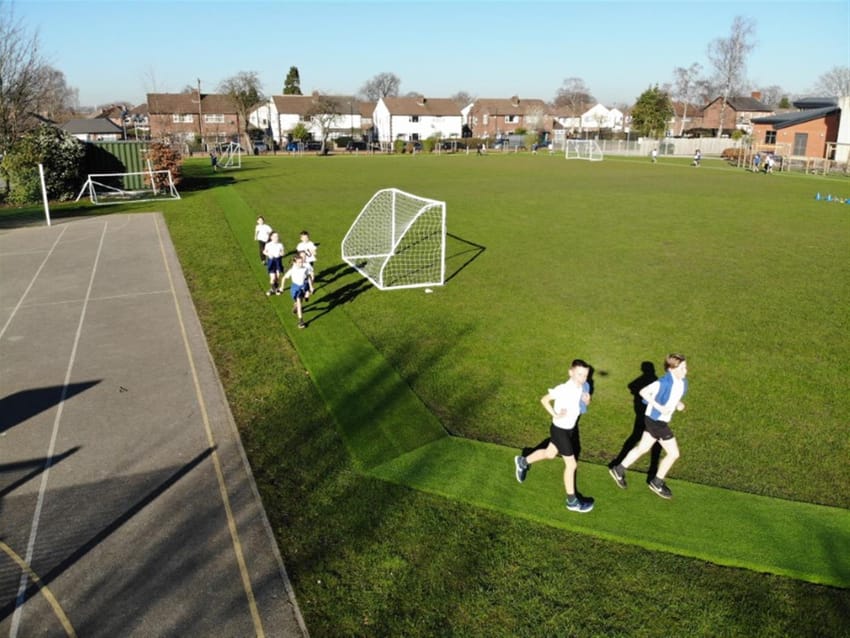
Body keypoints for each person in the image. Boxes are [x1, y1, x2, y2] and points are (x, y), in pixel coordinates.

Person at [514, 359, 594, 513]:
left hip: (570, 429)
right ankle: (572, 502)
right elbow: (544, 400)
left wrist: (588, 400)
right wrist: (555, 414)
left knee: (550, 453)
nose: (582, 378)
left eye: (585, 375)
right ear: (570, 373)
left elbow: (585, 404)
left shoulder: (584, 386)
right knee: (571, 465)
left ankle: (523, 462)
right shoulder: (563, 389)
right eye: (579, 374)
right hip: (559, 430)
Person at [608, 353, 688, 499]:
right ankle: (657, 482)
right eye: (682, 368)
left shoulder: (682, 382)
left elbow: (674, 397)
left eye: (685, 367)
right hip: (655, 421)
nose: (685, 371)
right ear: (671, 369)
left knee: (643, 448)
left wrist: (678, 404)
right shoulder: (663, 382)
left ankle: (618, 469)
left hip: (660, 420)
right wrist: (659, 407)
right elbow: (643, 392)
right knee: (674, 453)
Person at [280, 254, 310, 328]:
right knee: (299, 302)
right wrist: (281, 288)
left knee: (299, 301)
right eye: (299, 262)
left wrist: (311, 287)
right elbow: (284, 278)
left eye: (302, 262)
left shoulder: (305, 269)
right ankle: (301, 321)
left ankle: (295, 306)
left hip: (303, 286)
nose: (301, 264)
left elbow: (308, 277)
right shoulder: (292, 270)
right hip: (295, 288)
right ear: (295, 263)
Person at [262, 231, 285, 296]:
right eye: (274, 236)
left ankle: (275, 289)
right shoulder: (268, 244)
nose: (276, 238)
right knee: (273, 278)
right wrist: (269, 254)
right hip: (271, 261)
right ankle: (273, 289)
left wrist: (282, 254)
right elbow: (264, 252)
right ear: (271, 237)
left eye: (277, 236)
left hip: (278, 261)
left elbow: (282, 252)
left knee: (278, 277)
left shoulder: (280, 244)